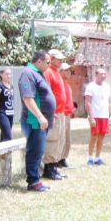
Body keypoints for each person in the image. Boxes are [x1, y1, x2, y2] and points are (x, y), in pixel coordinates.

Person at [19, 51, 55, 192]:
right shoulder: (27, 73)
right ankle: (33, 182)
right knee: (34, 150)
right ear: (39, 61)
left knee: (38, 151)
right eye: (48, 62)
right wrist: (40, 116)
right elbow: (28, 98)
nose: (49, 64)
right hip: (34, 121)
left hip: (41, 121)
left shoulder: (38, 74)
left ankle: (36, 179)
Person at [42, 49, 69, 180]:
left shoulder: (56, 72)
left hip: (61, 112)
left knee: (59, 140)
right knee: (52, 140)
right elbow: (45, 93)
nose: (61, 61)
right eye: (58, 58)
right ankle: (48, 168)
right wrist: (50, 111)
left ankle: (54, 166)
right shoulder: (48, 72)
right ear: (51, 58)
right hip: (54, 113)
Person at [85, 68, 111, 166]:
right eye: (101, 74)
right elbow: (88, 102)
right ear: (96, 75)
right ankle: (90, 158)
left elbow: (108, 101)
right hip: (95, 115)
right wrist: (91, 117)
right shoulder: (90, 86)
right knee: (94, 136)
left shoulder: (107, 86)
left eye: (105, 74)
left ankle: (97, 158)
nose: (103, 76)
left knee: (102, 137)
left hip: (104, 116)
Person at [0, 68, 14, 142]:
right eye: (6, 74)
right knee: (8, 137)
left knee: (3, 136)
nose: (9, 76)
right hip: (1, 113)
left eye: (10, 74)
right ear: (1, 74)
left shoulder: (11, 86)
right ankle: (7, 153)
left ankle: (1, 154)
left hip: (10, 113)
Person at [59, 63, 74, 168]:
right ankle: (58, 159)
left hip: (68, 114)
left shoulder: (67, 84)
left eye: (69, 70)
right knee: (61, 139)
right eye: (66, 70)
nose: (69, 72)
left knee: (67, 140)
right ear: (60, 71)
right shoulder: (59, 84)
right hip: (62, 114)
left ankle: (63, 158)